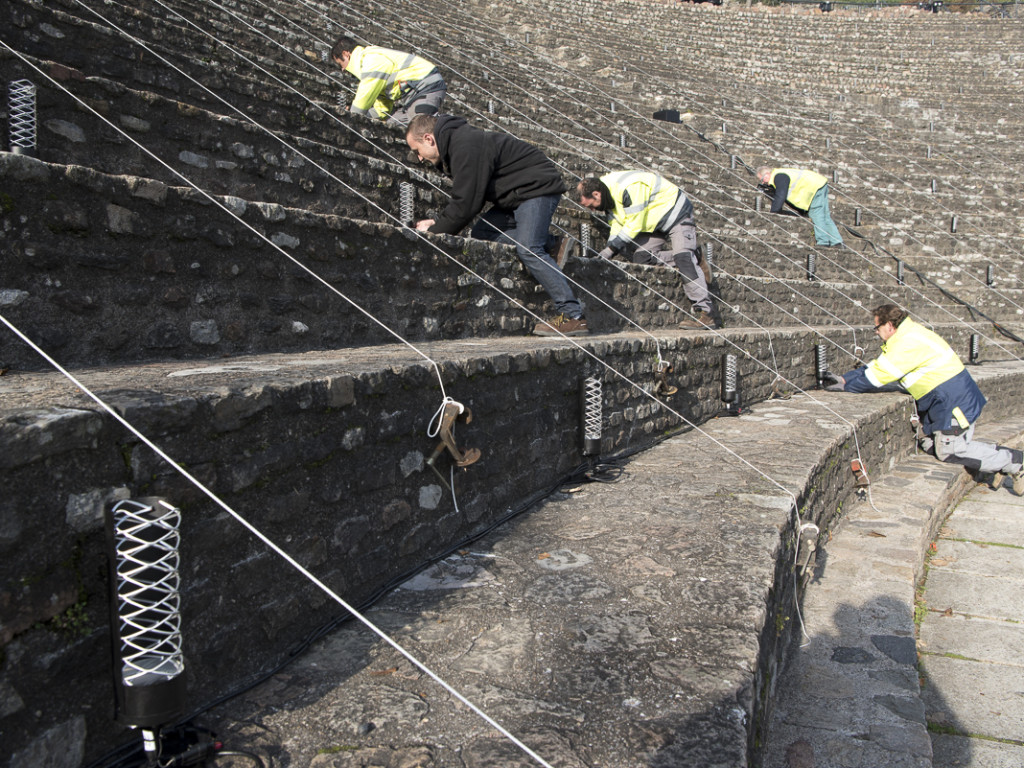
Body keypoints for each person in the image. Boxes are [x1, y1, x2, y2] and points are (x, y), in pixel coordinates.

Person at [405, 114, 587, 337]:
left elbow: (466, 204)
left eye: (417, 150)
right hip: (514, 195)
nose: (419, 158)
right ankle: (553, 243)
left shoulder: (464, 145)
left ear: (428, 139)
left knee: (529, 248)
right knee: (482, 232)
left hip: (536, 188)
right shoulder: (458, 144)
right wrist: (438, 223)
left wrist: (433, 233)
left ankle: (573, 315)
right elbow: (466, 198)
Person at [823, 304, 1024, 492]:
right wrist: (844, 379)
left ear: (890, 326)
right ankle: (998, 463)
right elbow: (877, 365)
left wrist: (845, 387)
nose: (876, 332)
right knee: (930, 444)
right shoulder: (907, 336)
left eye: (877, 327)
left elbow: (878, 376)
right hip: (947, 398)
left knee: (948, 450)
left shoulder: (908, 342)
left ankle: (1015, 462)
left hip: (954, 400)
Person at [577, 171, 718, 330]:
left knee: (684, 258)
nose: (593, 211)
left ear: (596, 194)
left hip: (675, 212)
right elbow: (617, 225)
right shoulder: (607, 197)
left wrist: (610, 250)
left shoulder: (628, 187)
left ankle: (707, 313)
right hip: (652, 222)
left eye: (591, 206)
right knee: (642, 259)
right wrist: (607, 249)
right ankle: (697, 256)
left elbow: (634, 225)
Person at [331, 36, 446, 128]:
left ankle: (449, 128)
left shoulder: (370, 59)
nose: (343, 69)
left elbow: (366, 92)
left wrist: (352, 115)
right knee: (392, 124)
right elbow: (382, 108)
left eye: (341, 64)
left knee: (419, 127)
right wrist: (365, 116)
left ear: (346, 54)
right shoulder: (372, 72)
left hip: (425, 85)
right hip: (413, 95)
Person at [756, 165, 843, 247]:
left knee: (816, 214)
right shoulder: (779, 174)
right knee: (825, 215)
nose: (763, 182)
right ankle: (837, 242)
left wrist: (774, 212)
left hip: (814, 186)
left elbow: (781, 195)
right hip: (818, 183)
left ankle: (823, 242)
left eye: (763, 179)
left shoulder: (778, 177)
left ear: (767, 174)